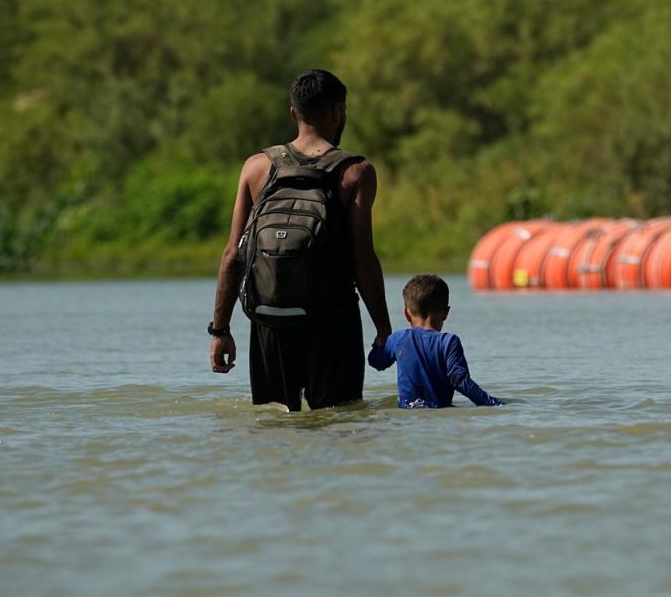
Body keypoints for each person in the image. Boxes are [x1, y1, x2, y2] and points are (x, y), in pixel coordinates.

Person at [208, 69, 392, 410]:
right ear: (339, 112)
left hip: (268, 318)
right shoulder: (355, 171)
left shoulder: (256, 167)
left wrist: (220, 331)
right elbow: (362, 259)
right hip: (331, 319)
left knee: (275, 421)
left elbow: (232, 255)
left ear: (294, 113)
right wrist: (384, 329)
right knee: (339, 419)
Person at [368, 274, 504, 409]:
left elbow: (376, 362)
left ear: (406, 314)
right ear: (445, 312)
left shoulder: (398, 339)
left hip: (408, 418)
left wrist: (379, 342)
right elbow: (460, 380)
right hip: (439, 415)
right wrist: (494, 404)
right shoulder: (448, 342)